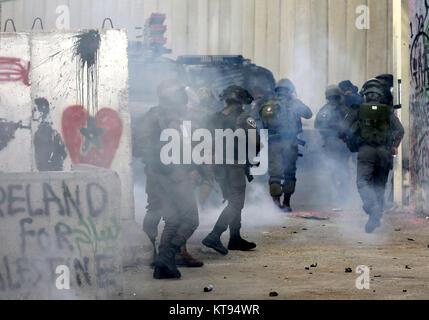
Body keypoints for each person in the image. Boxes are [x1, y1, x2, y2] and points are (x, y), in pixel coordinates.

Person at [136, 79, 202, 278]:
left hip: (160, 172)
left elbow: (140, 145)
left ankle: (164, 263)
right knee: (189, 219)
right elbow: (183, 148)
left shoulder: (154, 116)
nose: (185, 104)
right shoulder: (173, 119)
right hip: (173, 174)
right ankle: (165, 256)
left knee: (172, 218)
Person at [202, 85, 260, 255]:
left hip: (219, 165)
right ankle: (215, 234)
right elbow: (255, 141)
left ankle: (235, 238)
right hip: (234, 164)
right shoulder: (244, 117)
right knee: (236, 202)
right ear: (241, 101)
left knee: (232, 200)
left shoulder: (214, 117)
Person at [342, 83, 404, 233]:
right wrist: (395, 146)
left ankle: (371, 207)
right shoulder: (388, 111)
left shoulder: (357, 110)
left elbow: (342, 129)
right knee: (380, 185)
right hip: (384, 152)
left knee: (362, 182)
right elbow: (400, 130)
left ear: (366, 96)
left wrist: (348, 141)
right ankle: (376, 216)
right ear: (380, 97)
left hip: (366, 151)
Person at [259, 79, 313, 212]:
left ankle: (276, 204)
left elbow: (261, 120)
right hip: (290, 143)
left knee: (275, 174)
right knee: (289, 173)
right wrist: (295, 99)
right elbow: (308, 114)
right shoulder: (294, 103)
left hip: (273, 144)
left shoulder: (267, 104)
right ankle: (287, 204)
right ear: (290, 90)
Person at [315, 85, 352, 208]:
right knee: (344, 169)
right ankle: (344, 197)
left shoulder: (323, 110)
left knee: (334, 169)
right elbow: (351, 126)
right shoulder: (345, 109)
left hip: (330, 144)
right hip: (343, 143)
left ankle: (337, 196)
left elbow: (317, 126)